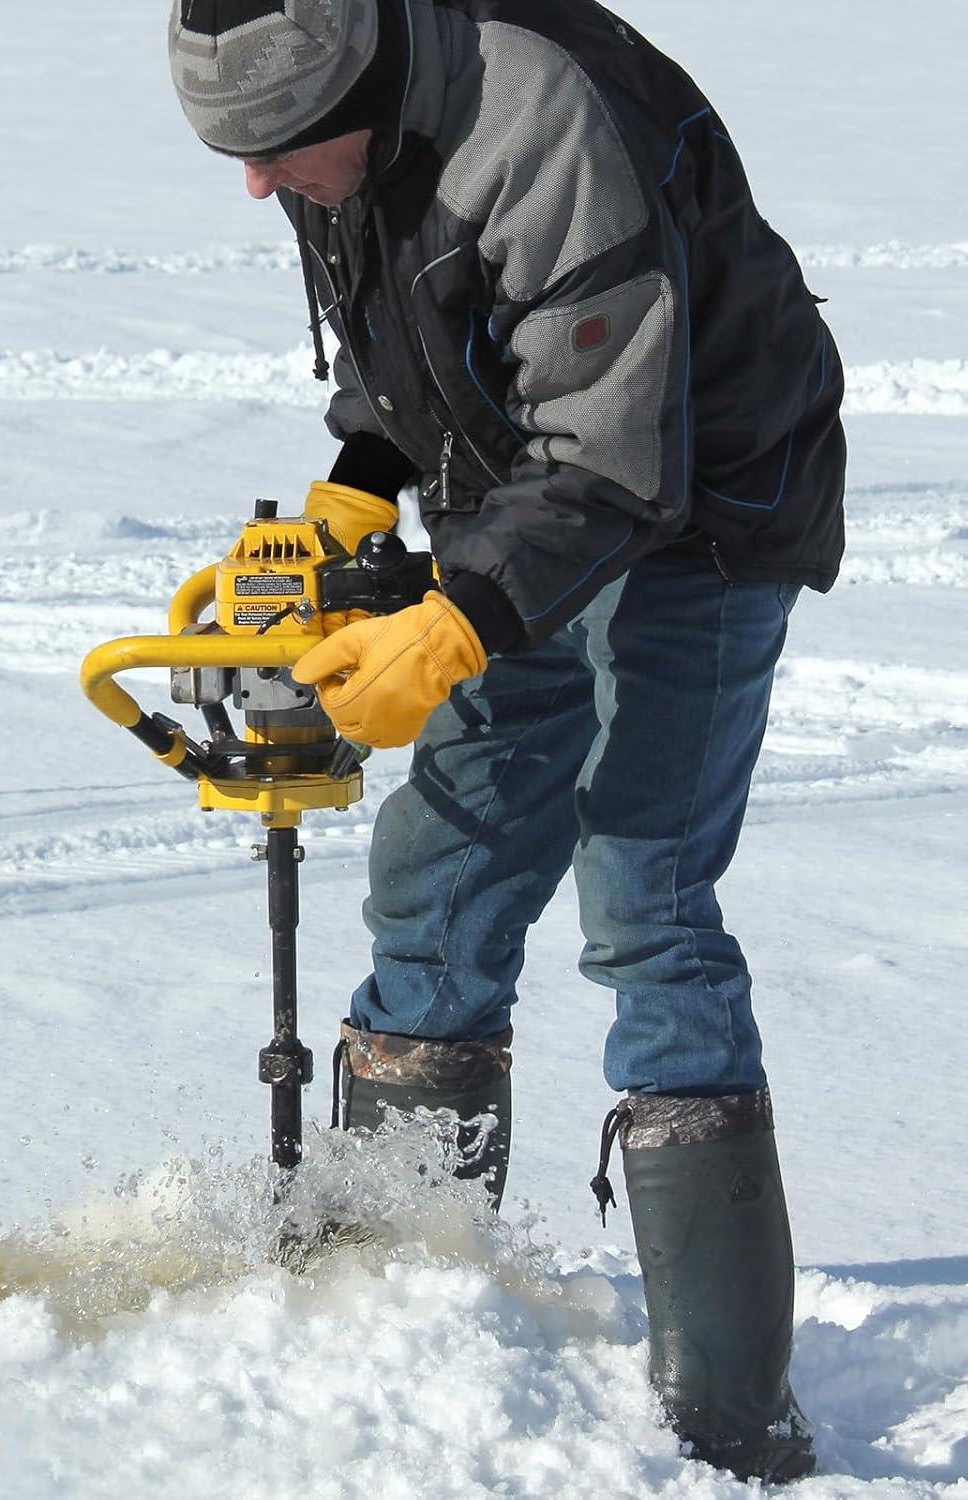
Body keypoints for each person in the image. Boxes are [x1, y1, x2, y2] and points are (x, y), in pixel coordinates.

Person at [167, 0, 846, 1483]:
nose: (257, 187)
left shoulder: (537, 115)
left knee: (645, 893)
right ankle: (405, 1317)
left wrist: (457, 624)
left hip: (708, 502)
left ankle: (729, 1419)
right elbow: (428, 333)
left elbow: (617, 443)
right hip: (528, 505)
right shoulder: (336, 123)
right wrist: (358, 483)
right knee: (436, 878)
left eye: (277, 153)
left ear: (355, 88)